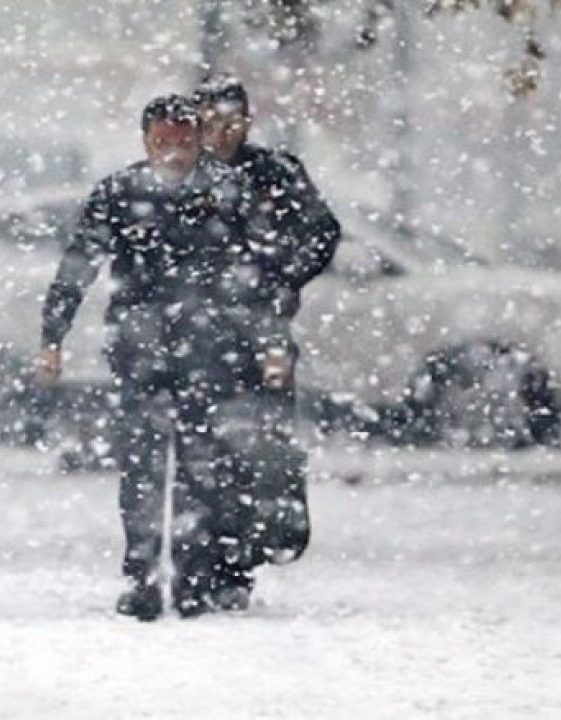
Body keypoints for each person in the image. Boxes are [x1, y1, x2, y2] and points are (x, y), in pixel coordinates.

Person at [36, 94, 262, 621]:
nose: (174, 153)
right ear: (146, 141)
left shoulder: (227, 193)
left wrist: (262, 342)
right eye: (163, 142)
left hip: (211, 350)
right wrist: (53, 336)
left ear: (199, 141)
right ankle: (142, 576)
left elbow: (257, 273)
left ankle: (193, 575)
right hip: (141, 349)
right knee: (142, 466)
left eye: (183, 142)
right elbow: (79, 264)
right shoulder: (120, 192)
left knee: (202, 467)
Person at [194, 75, 341, 571]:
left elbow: (321, 232)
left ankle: (262, 537)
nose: (222, 133)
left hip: (263, 326)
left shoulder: (275, 172)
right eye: (212, 122)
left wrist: (282, 278)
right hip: (194, 329)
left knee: (265, 435)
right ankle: (213, 543)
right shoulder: (182, 175)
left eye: (230, 122)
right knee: (201, 437)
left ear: (246, 122)